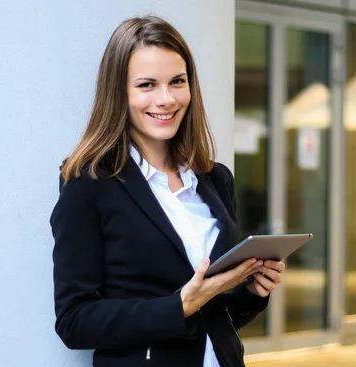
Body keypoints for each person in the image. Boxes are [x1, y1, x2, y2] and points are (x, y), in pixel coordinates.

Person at [49, 16, 285, 367]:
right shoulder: (88, 185)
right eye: (147, 85)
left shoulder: (215, 179)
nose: (166, 99)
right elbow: (74, 322)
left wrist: (251, 292)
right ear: (119, 93)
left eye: (177, 81)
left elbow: (216, 314)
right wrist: (180, 305)